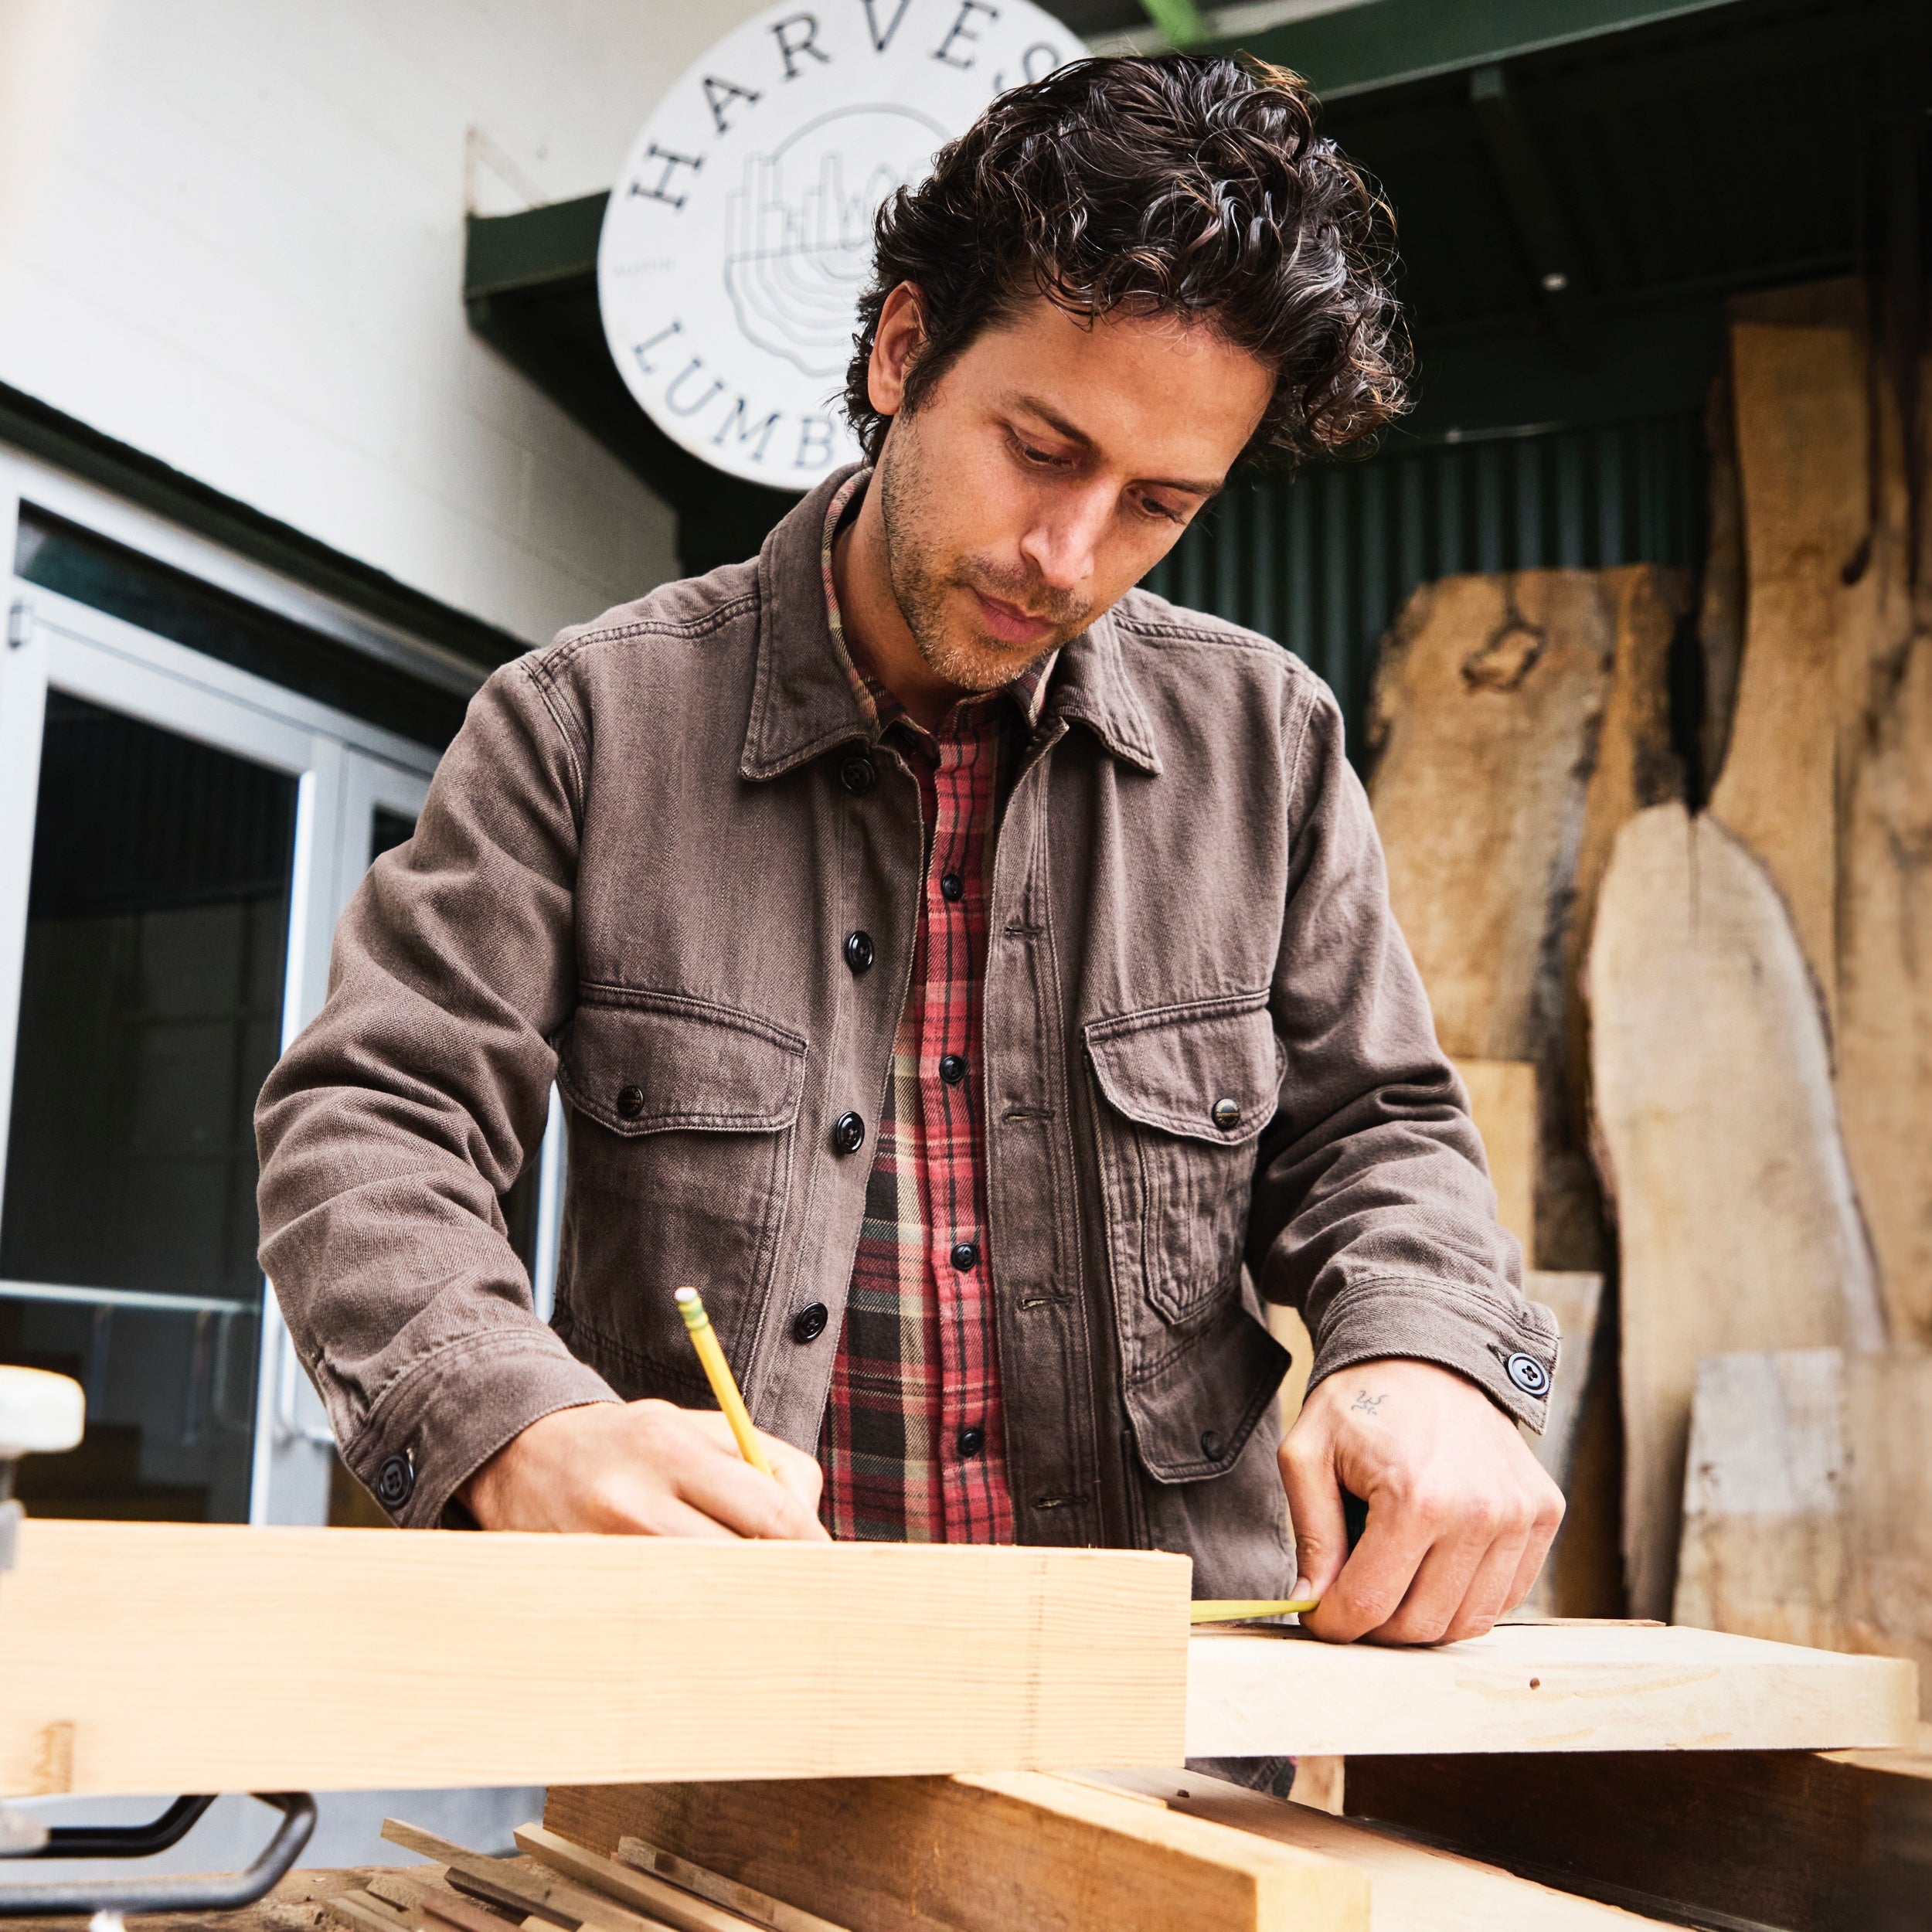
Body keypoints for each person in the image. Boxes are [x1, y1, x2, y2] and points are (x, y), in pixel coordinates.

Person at [257, 54, 1563, 1651]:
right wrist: (512, 1421)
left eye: (1156, 502)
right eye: (1039, 446)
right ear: (899, 350)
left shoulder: (1263, 744)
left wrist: (1427, 1346)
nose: (1065, 556)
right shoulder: (580, 726)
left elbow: (1376, 1130)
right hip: (720, 1712)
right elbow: (371, 1119)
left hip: (1169, 1726)